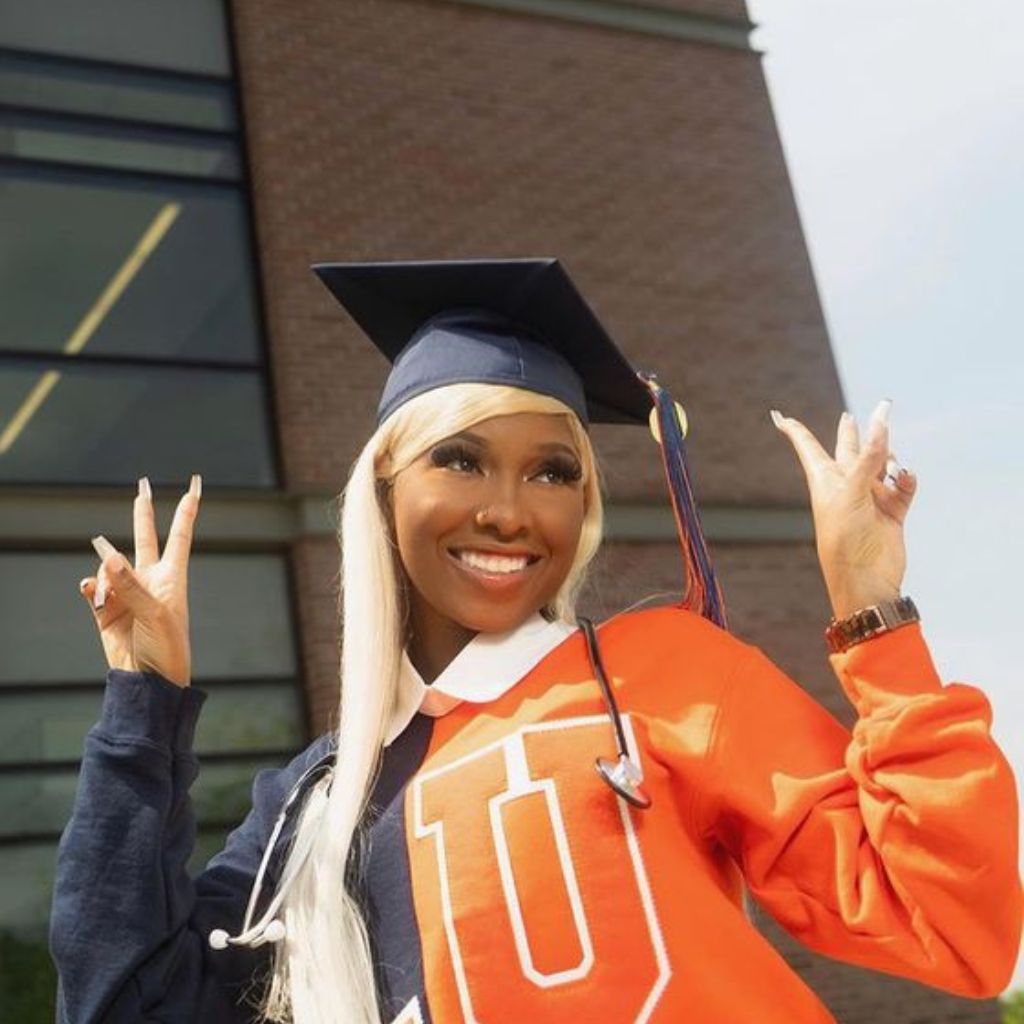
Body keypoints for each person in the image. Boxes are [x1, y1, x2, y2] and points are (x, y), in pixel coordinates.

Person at [49, 258, 1021, 1024]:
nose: (508, 510)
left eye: (552, 472)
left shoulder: (665, 674)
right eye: (461, 459)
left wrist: (871, 610)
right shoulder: (318, 801)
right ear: (384, 498)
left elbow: (954, 925)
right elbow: (123, 1002)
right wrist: (142, 705)